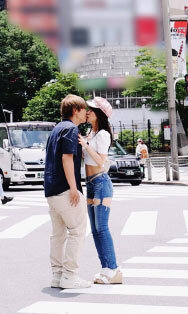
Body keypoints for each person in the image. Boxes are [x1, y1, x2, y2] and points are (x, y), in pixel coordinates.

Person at [44, 94, 92, 289]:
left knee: (58, 235)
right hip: (65, 189)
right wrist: (74, 188)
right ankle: (70, 275)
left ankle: (57, 275)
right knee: (78, 231)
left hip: (51, 189)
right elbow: (67, 158)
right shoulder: (71, 129)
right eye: (83, 109)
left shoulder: (57, 129)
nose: (86, 113)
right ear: (75, 110)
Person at [80, 97, 122, 285]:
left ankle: (113, 269)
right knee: (96, 230)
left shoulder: (103, 134)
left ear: (99, 115)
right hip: (90, 183)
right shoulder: (93, 133)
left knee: (102, 228)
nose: (87, 112)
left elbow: (100, 161)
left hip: (101, 182)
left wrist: (85, 145)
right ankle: (106, 268)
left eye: (91, 110)